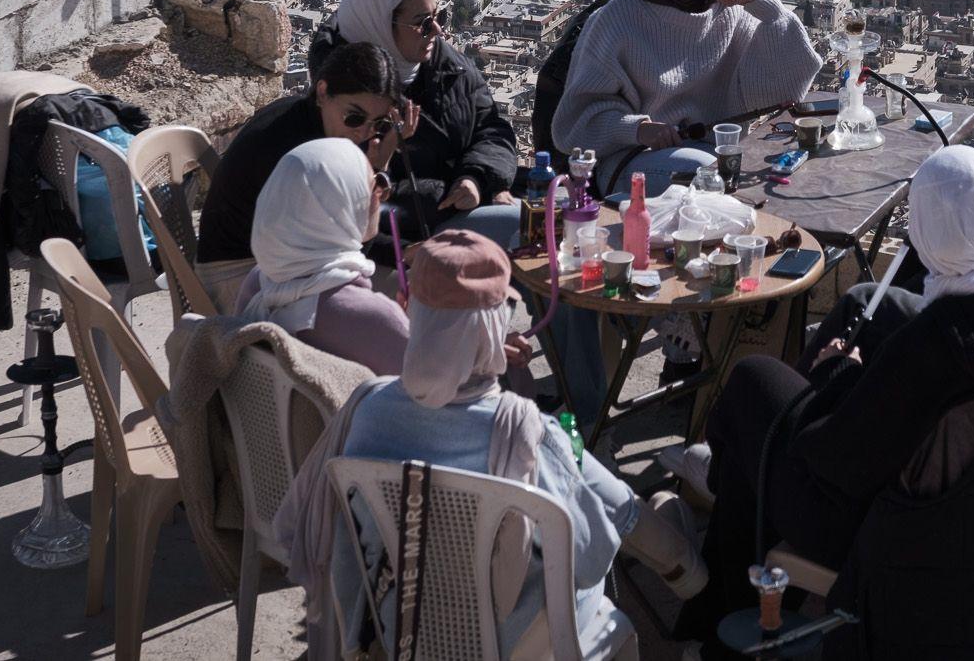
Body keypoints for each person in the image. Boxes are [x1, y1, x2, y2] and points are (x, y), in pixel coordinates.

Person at [673, 146, 974, 661]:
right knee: (760, 441)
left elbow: (832, 462)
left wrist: (836, 374)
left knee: (753, 386)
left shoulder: (939, 349)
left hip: (931, 567)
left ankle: (725, 600)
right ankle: (728, 555)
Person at [329, 231, 709, 657]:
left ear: (407, 308)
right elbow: (590, 555)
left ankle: (678, 556)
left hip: (406, 617)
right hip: (512, 635)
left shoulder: (367, 408)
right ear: (493, 327)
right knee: (599, 490)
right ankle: (684, 565)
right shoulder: (520, 431)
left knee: (589, 482)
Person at [552, 0, 822, 197]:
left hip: (716, 153)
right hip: (631, 160)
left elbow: (788, 87)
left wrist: (767, 6)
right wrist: (639, 129)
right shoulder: (619, 19)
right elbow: (574, 125)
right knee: (714, 177)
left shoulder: (729, 8)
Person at [313, 0, 521, 247]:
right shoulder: (347, 99)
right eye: (422, 23)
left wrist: (477, 179)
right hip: (396, 242)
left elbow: (491, 128)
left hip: (457, 212)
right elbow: (356, 193)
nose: (438, 30)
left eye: (440, 16)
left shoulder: (447, 65)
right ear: (380, 23)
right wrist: (447, 195)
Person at [197, 42, 411, 310]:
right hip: (236, 274)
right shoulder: (302, 156)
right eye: (355, 117)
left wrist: (405, 251)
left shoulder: (312, 122)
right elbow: (345, 251)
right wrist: (377, 172)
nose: (365, 133)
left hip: (276, 262)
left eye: (379, 124)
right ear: (323, 92)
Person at [233, 138, 410, 376]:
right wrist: (411, 325)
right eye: (374, 184)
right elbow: (432, 399)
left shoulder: (257, 285)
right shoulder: (376, 318)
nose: (381, 194)